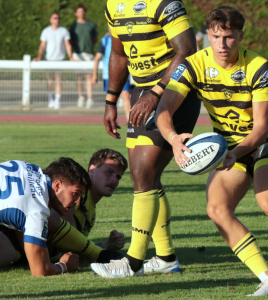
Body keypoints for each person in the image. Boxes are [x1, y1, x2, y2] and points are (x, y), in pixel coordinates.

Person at [154, 5, 268, 296]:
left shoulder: (259, 66)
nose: (221, 44)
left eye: (229, 37)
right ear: (208, 34)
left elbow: (260, 127)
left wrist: (237, 152)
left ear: (240, 36)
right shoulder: (193, 64)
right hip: (226, 145)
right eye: (215, 36)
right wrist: (172, 138)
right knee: (217, 209)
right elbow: (163, 109)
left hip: (265, 139)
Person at [90, 0, 200, 278]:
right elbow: (118, 54)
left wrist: (156, 92)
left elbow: (187, 50)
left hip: (176, 90)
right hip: (142, 92)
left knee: (142, 171)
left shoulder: (165, 4)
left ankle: (133, 262)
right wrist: (110, 101)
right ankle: (165, 258)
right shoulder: (113, 4)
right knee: (146, 176)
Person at [0, 158, 91, 277]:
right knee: (10, 253)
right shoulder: (36, 211)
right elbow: (40, 271)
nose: (78, 202)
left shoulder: (28, 167)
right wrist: (64, 265)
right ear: (58, 185)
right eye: (76, 193)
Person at [47, 149, 128, 262]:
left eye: (118, 177)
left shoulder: (91, 211)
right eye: (109, 173)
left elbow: (80, 246)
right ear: (92, 170)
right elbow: (59, 224)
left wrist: (107, 244)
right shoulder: (78, 194)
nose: (114, 180)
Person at [33, 13, 74, 110]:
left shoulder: (64, 31)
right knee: (50, 82)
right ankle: (50, 99)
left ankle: (57, 101)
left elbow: (68, 44)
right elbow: (42, 45)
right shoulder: (46, 31)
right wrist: (39, 56)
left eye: (58, 18)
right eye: (55, 18)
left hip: (60, 60)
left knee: (59, 82)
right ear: (50, 20)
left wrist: (71, 57)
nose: (57, 20)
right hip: (49, 60)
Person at [92, 28, 131, 121]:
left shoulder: (125, 38)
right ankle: (111, 120)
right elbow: (97, 58)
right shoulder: (105, 40)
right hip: (109, 75)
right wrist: (94, 74)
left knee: (126, 95)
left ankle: (129, 122)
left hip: (124, 73)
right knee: (111, 98)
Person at [70, 3, 98, 109]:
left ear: (85, 12)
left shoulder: (91, 24)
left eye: (83, 11)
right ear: (76, 13)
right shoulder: (73, 26)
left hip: (88, 53)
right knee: (79, 78)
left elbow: (95, 38)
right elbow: (70, 40)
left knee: (89, 77)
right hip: (77, 54)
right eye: (79, 11)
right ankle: (80, 97)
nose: (81, 13)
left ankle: (90, 98)